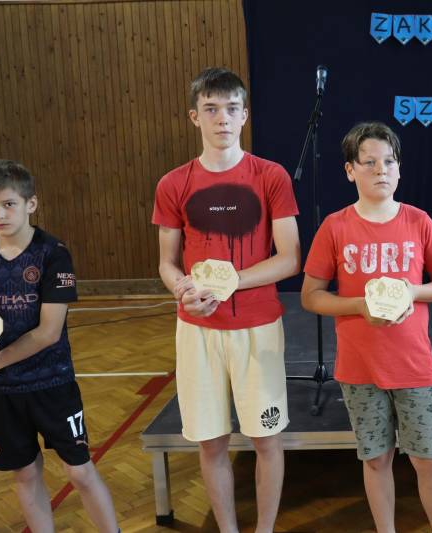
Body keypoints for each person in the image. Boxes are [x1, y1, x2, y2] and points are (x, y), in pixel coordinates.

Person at [152, 67, 300, 532]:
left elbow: (290, 258)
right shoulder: (173, 183)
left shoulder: (271, 176)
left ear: (245, 116)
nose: (222, 119)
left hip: (258, 329)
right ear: (194, 117)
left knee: (266, 440)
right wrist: (182, 289)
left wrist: (231, 281)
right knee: (211, 442)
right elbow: (167, 263)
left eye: (232, 109)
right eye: (211, 109)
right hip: (198, 331)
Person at [300, 121, 432, 533]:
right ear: (350, 170)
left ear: (400, 168)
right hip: (359, 367)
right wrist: (360, 306)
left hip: (414, 366)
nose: (381, 170)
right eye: (369, 162)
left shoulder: (418, 221)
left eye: (388, 161)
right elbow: (311, 295)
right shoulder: (335, 226)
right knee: (376, 459)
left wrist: (411, 291)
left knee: (428, 459)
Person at [0, 159, 119, 532]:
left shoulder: (53, 253)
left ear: (30, 204)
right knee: (25, 473)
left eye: (8, 204)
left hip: (53, 384)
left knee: (79, 471)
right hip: (2, 392)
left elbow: (48, 332)